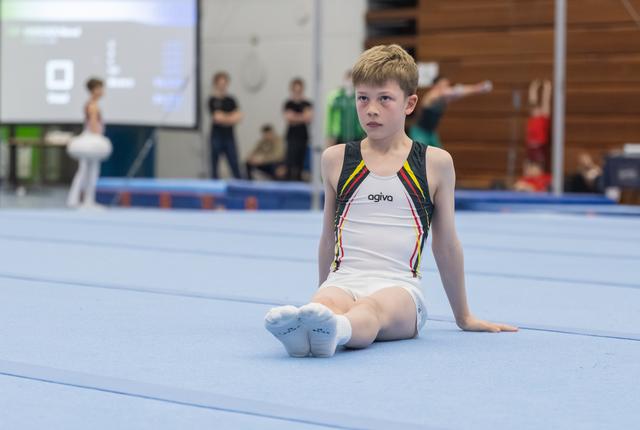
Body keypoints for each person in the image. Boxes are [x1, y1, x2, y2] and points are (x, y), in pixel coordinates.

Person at [265, 45, 517, 358]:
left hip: (400, 290)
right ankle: (317, 325)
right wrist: (323, 293)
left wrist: (463, 316)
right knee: (325, 304)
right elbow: (328, 236)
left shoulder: (434, 163)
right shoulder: (335, 159)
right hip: (345, 279)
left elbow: (447, 244)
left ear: (409, 103)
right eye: (363, 98)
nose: (371, 109)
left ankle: (333, 330)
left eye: (384, 98)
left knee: (373, 309)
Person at [66, 77, 112, 208]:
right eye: (100, 88)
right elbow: (93, 123)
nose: (102, 91)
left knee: (88, 171)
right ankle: (78, 199)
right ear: (94, 90)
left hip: (90, 137)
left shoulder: (92, 104)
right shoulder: (93, 106)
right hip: (91, 139)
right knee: (86, 170)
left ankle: (85, 199)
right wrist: (98, 137)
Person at [409, 76, 492, 148]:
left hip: (431, 132)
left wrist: (477, 89)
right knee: (419, 156)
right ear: (435, 86)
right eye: (443, 86)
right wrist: (477, 88)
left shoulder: (445, 98)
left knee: (440, 156)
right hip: (420, 132)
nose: (446, 88)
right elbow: (452, 92)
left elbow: (459, 94)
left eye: (447, 86)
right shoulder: (431, 95)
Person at [209, 71, 243, 179]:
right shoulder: (212, 100)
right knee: (214, 164)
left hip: (229, 136)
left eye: (224, 83)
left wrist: (225, 118)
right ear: (216, 84)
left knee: (234, 163)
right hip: (217, 136)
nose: (222, 86)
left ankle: (240, 186)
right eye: (220, 83)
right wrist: (230, 117)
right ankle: (213, 188)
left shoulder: (231, 100)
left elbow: (239, 117)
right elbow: (217, 117)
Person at [326, 70, 366, 147]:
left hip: (357, 135)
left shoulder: (360, 98)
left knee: (357, 158)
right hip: (339, 136)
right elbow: (329, 117)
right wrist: (329, 135)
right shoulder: (337, 97)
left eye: (351, 79)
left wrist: (365, 133)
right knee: (340, 157)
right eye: (348, 79)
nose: (349, 82)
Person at [283, 78, 313, 181]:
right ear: (292, 90)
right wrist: (302, 117)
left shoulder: (307, 103)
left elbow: (308, 117)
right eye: (295, 91)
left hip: (303, 136)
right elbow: (288, 117)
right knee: (290, 163)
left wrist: (295, 118)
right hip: (291, 137)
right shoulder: (288, 103)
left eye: (299, 90)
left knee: (300, 164)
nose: (297, 93)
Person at [525, 79, 552, 168]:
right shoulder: (532, 117)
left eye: (536, 109)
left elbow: (545, 101)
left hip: (540, 146)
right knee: (529, 165)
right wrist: (533, 88)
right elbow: (532, 101)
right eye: (534, 109)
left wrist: (547, 88)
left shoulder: (543, 117)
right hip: (531, 146)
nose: (535, 110)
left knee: (538, 165)